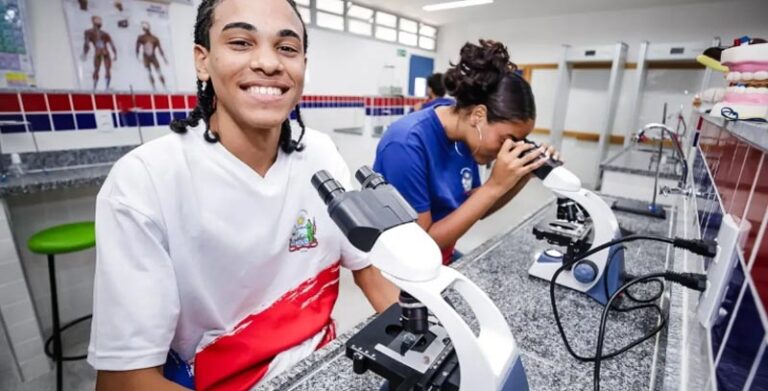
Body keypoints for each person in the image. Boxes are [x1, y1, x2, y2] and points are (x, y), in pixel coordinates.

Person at [87, 1, 399, 390]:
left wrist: (429, 343)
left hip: (322, 369)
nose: (269, 63)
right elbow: (123, 381)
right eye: (240, 42)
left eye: (287, 48)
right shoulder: (145, 181)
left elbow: (368, 269)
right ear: (203, 61)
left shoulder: (321, 154)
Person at [373, 40, 558, 265]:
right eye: (507, 139)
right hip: (406, 271)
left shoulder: (466, 139)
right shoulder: (406, 144)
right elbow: (421, 243)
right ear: (478, 115)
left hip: (442, 257)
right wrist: (494, 186)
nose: (507, 149)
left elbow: (477, 209)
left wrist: (524, 174)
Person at [82, 15, 117, 90]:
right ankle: (97, 87)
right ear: (93, 22)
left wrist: (115, 53)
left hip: (101, 51)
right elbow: (86, 44)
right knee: (99, 69)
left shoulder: (104, 33)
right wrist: (85, 53)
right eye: (98, 20)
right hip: (103, 51)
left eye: (100, 20)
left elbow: (87, 44)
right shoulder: (90, 32)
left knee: (103, 69)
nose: (100, 22)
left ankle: (101, 87)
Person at [136, 21, 168, 90]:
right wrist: (137, 56)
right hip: (146, 57)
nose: (145, 29)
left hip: (153, 56)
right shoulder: (141, 37)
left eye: (145, 27)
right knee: (149, 72)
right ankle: (154, 88)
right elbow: (137, 47)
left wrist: (164, 58)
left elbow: (160, 49)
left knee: (159, 72)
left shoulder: (155, 38)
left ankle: (164, 86)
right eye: (144, 28)